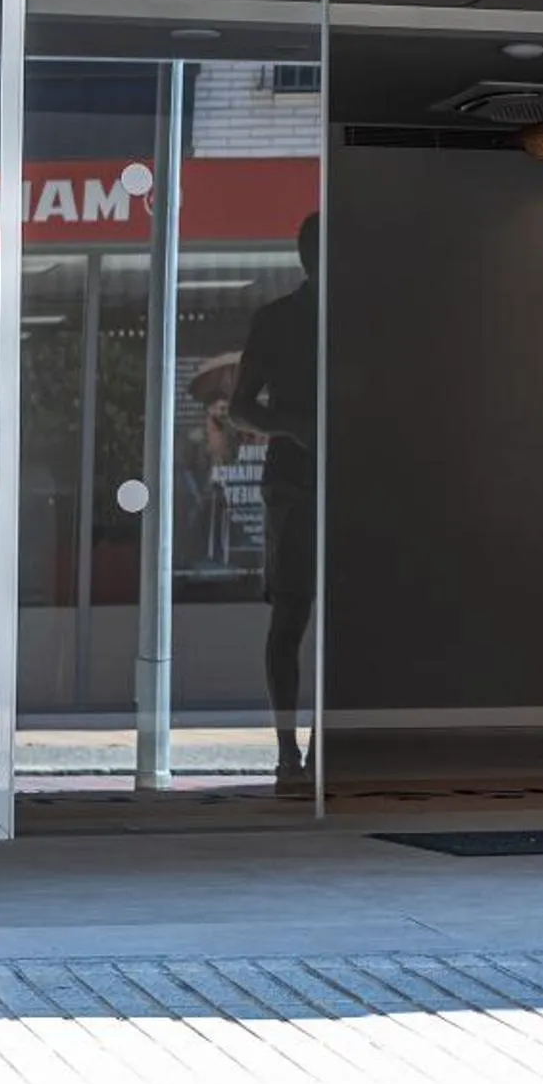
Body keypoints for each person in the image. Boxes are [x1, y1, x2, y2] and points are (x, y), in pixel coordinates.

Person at [227, 210, 321, 796]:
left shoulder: (361, 318)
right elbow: (240, 406)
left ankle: (325, 748)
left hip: (348, 481)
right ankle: (288, 751)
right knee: (290, 615)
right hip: (294, 482)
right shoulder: (278, 319)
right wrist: (291, 426)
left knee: (344, 622)